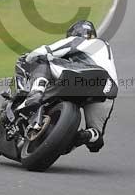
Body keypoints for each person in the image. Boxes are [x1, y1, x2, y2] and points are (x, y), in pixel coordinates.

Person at [21, 20, 116, 153]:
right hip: (108, 89)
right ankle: (85, 136)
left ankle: (36, 92)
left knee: (43, 59)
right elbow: (97, 147)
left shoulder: (83, 41)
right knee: (96, 137)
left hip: (86, 75)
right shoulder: (103, 49)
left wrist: (30, 57)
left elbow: (48, 50)